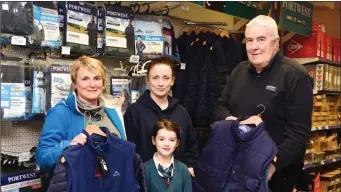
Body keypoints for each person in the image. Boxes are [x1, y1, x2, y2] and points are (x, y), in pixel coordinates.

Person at [211, 15, 313, 192]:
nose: (254, 46)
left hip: (276, 173)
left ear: (276, 42)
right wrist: (234, 121)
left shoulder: (295, 75)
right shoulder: (239, 71)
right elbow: (219, 107)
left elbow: (299, 132)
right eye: (249, 40)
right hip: (237, 165)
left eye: (261, 39)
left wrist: (273, 165)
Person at [35, 56, 126, 172]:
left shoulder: (112, 112)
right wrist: (69, 145)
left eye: (97, 78)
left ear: (103, 82)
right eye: (85, 79)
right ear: (75, 83)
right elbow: (42, 158)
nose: (92, 84)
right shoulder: (60, 113)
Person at [124, 57, 198, 177]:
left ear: (172, 81)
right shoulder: (134, 111)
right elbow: (128, 150)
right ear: (147, 80)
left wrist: (189, 166)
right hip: (144, 180)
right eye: (155, 78)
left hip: (177, 182)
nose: (161, 83)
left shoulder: (182, 112)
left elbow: (191, 147)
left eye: (166, 78)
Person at [144, 119, 192, 192]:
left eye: (172, 140)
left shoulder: (183, 169)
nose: (166, 144)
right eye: (161, 139)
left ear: (177, 143)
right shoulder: (144, 169)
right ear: (153, 140)